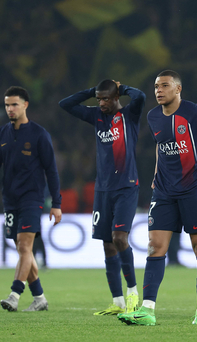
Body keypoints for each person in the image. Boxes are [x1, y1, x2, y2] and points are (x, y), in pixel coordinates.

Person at [118, 69, 197, 326]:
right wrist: (154, 175)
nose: (158, 91)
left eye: (164, 86)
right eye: (155, 87)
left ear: (178, 89)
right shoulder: (153, 117)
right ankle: (147, 310)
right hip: (163, 191)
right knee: (155, 247)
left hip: (193, 189)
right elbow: (161, 148)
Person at [59, 79, 145, 316]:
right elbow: (65, 104)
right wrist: (91, 92)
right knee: (108, 246)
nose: (102, 103)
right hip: (102, 190)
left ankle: (133, 292)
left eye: (106, 98)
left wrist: (122, 87)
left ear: (116, 97)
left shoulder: (129, 115)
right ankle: (117, 302)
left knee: (119, 238)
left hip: (126, 187)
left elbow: (140, 97)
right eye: (99, 99)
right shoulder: (96, 116)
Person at [0, 86, 62, 312]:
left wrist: (56, 203)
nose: (9, 109)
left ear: (25, 105)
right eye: (6, 105)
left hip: (32, 198)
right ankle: (40, 298)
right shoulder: (0, 135)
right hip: (10, 199)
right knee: (23, 249)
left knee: (25, 245)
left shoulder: (38, 134)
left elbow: (51, 170)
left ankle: (15, 294)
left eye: (14, 104)